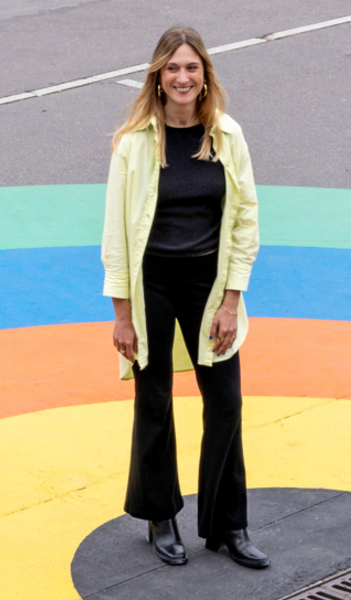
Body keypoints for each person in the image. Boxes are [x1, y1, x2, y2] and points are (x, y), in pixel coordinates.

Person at [101, 26, 268, 569]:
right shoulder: (133, 143)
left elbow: (245, 221)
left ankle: (228, 524)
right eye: (172, 68)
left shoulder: (227, 136)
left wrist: (230, 300)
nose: (182, 77)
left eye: (191, 67)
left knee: (226, 401)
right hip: (150, 282)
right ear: (158, 76)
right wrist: (122, 315)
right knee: (154, 399)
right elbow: (115, 233)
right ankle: (159, 515)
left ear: (205, 76)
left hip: (208, 282)